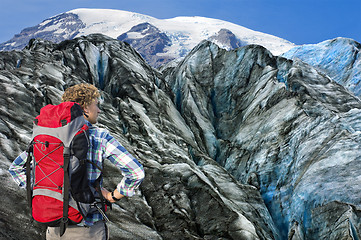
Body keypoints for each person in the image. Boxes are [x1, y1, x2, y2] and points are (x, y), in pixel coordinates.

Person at [8, 83, 145, 239]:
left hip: (53, 230)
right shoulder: (99, 136)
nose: (99, 110)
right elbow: (136, 172)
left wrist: (44, 190)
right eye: (96, 105)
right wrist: (113, 196)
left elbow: (16, 169)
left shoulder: (48, 137)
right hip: (88, 230)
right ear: (85, 108)